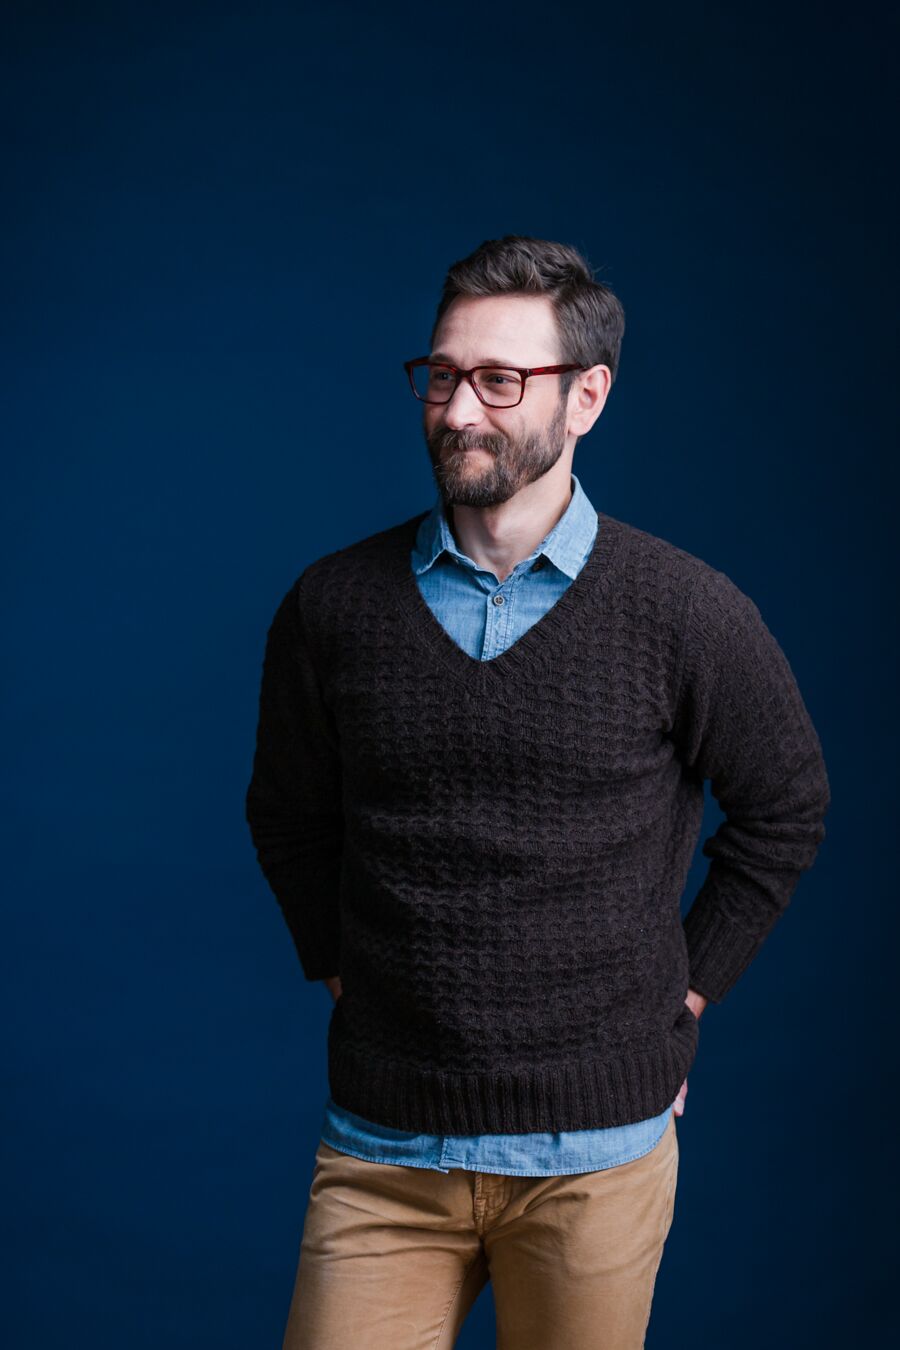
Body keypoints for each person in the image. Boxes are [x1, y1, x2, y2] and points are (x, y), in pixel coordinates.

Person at [244, 235, 831, 1349]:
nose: (459, 410)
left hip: (595, 1160)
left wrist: (684, 994)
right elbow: (289, 814)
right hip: (385, 1149)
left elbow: (786, 809)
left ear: (587, 398)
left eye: (500, 380)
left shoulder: (684, 611)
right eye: (442, 375)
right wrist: (346, 971)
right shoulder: (333, 606)